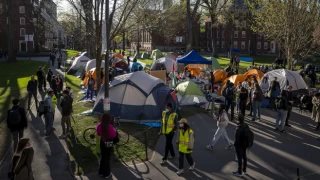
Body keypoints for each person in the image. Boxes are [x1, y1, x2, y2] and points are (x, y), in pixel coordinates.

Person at [96, 114, 116, 178]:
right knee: (107, 158)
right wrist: (114, 130)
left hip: (102, 141)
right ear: (108, 119)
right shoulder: (110, 126)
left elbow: (98, 133)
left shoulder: (99, 125)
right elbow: (113, 135)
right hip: (109, 142)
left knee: (103, 157)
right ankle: (106, 173)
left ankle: (101, 172)